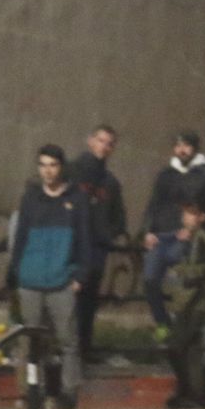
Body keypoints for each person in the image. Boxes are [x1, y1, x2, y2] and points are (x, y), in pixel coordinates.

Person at [7, 145, 92, 409]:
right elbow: (20, 237)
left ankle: (68, 393)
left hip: (62, 281)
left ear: (61, 166)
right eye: (43, 164)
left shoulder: (76, 198)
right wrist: (16, 273)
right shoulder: (31, 198)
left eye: (53, 165)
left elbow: (85, 239)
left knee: (68, 341)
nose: (48, 170)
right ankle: (32, 390)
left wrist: (80, 275)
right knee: (30, 342)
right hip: (30, 280)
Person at [139, 130, 205, 340]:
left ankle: (182, 325)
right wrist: (148, 231)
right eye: (178, 145)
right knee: (150, 279)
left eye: (186, 145)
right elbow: (153, 205)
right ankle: (163, 323)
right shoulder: (165, 175)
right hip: (162, 237)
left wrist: (196, 228)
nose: (181, 150)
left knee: (184, 281)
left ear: (195, 147)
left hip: (189, 238)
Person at [66, 124, 126, 361]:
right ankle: (66, 351)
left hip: (96, 251)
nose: (104, 146)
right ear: (90, 141)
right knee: (66, 302)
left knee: (88, 303)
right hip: (71, 248)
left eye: (109, 143)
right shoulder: (72, 171)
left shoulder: (110, 183)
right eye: (101, 140)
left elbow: (119, 217)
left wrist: (106, 235)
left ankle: (83, 349)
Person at [164, 198, 205, 409]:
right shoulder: (202, 238)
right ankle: (197, 396)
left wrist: (175, 274)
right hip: (196, 303)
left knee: (175, 347)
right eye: (185, 213)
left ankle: (190, 393)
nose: (185, 217)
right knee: (192, 351)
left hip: (193, 305)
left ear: (201, 217)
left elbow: (196, 274)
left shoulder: (200, 240)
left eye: (191, 213)